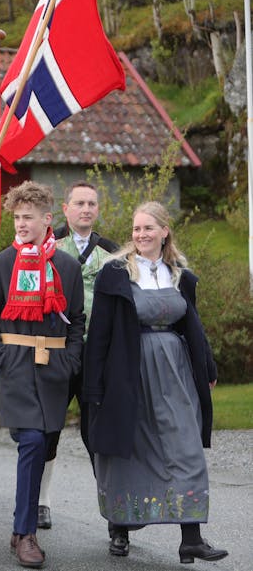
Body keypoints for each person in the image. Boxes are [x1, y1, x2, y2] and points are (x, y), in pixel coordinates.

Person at [83, 202, 227, 563]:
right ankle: (120, 528)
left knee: (186, 447)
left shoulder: (179, 274)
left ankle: (191, 538)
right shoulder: (115, 274)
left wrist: (207, 367)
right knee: (128, 450)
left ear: (165, 231)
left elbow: (193, 325)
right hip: (128, 372)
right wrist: (93, 388)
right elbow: (99, 334)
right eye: (136, 228)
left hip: (175, 373)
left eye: (148, 228)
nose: (141, 234)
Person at [0, 181, 84, 569]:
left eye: (29, 217)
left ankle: (20, 529)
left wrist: (70, 361)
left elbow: (77, 321)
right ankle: (26, 533)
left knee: (44, 444)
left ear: (47, 219)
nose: (21, 224)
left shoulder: (67, 267)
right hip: (16, 369)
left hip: (54, 371)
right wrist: (2, 359)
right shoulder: (0, 265)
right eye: (17, 217)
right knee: (33, 441)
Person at [36, 180, 118, 529]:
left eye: (91, 204)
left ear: (97, 210)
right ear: (65, 209)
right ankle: (41, 502)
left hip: (97, 356)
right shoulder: (47, 246)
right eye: (79, 203)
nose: (86, 209)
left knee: (98, 434)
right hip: (59, 350)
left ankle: (114, 512)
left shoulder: (112, 253)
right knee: (49, 429)